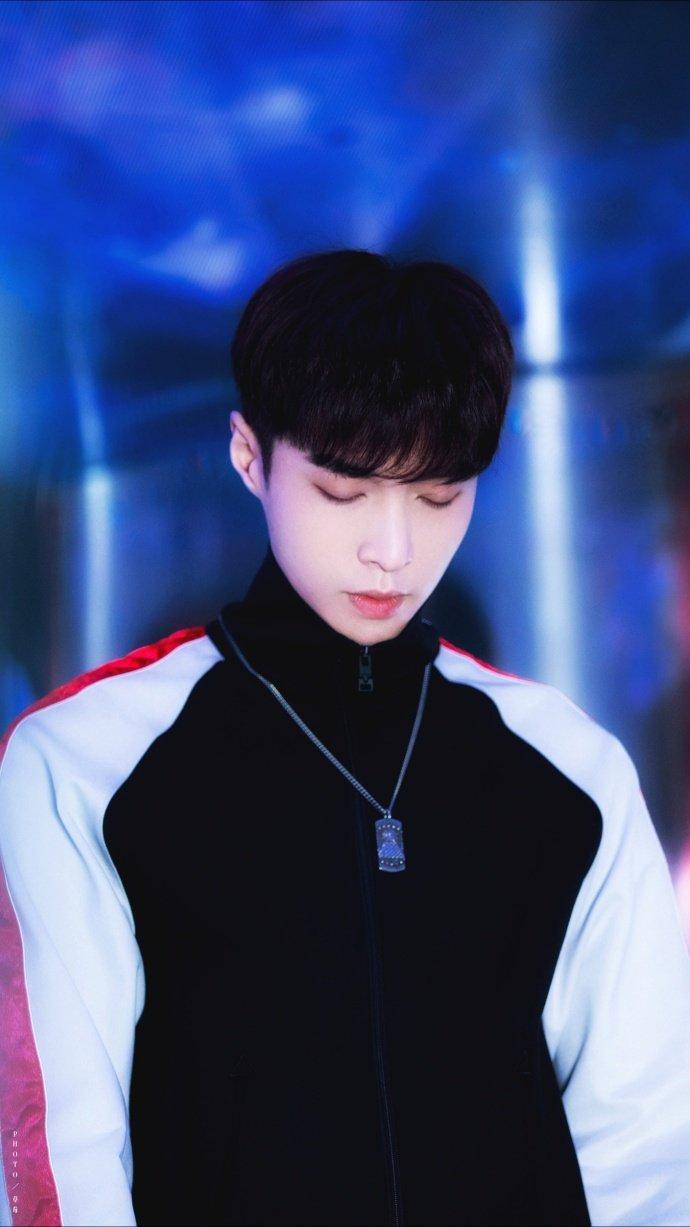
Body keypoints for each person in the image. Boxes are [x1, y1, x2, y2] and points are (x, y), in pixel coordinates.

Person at [1, 249, 689, 1227]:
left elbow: (648, 1144)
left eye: (440, 496)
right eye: (343, 492)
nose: (392, 551)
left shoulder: (570, 770)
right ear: (250, 456)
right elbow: (62, 1159)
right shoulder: (83, 764)